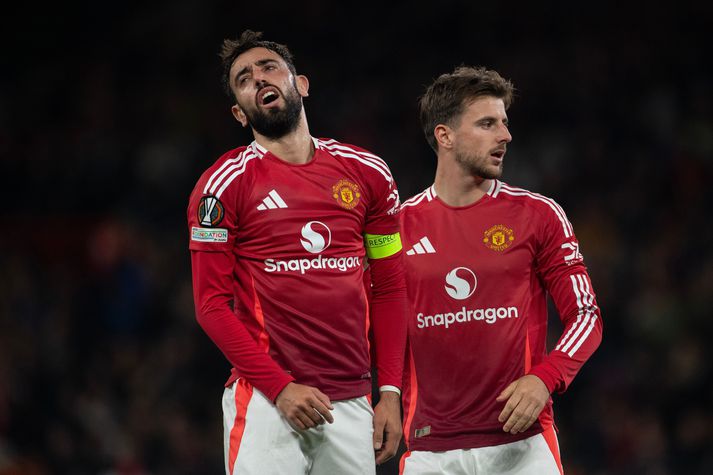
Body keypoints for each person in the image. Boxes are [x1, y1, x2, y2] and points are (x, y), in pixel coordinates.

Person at [186, 30, 407, 475]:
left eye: (268, 67)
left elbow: (390, 286)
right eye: (243, 79)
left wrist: (391, 393)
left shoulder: (369, 174)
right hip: (267, 402)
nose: (258, 78)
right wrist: (280, 387)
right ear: (238, 111)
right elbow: (210, 306)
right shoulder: (221, 186)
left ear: (301, 83)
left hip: (353, 403)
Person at [397, 66, 603, 474]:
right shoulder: (395, 228)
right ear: (445, 136)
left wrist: (546, 377)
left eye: (504, 124)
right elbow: (372, 326)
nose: (505, 135)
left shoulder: (539, 215)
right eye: (488, 123)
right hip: (429, 450)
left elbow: (586, 316)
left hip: (522, 448)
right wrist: (384, 398)